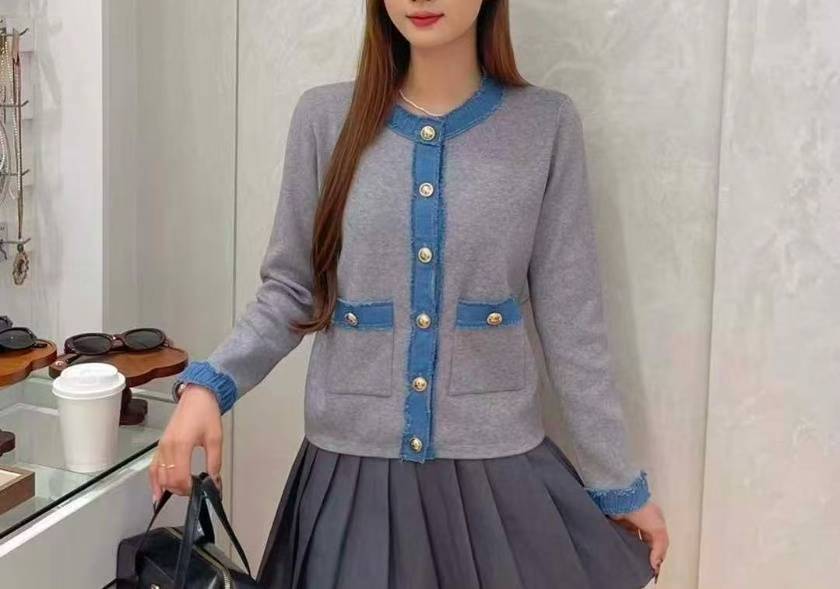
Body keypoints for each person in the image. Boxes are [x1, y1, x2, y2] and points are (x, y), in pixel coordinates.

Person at [149, 1, 670, 587]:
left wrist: (617, 482)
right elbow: (292, 289)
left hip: (498, 480)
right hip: (352, 478)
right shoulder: (325, 118)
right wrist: (209, 385)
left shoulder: (544, 125)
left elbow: (572, 323)